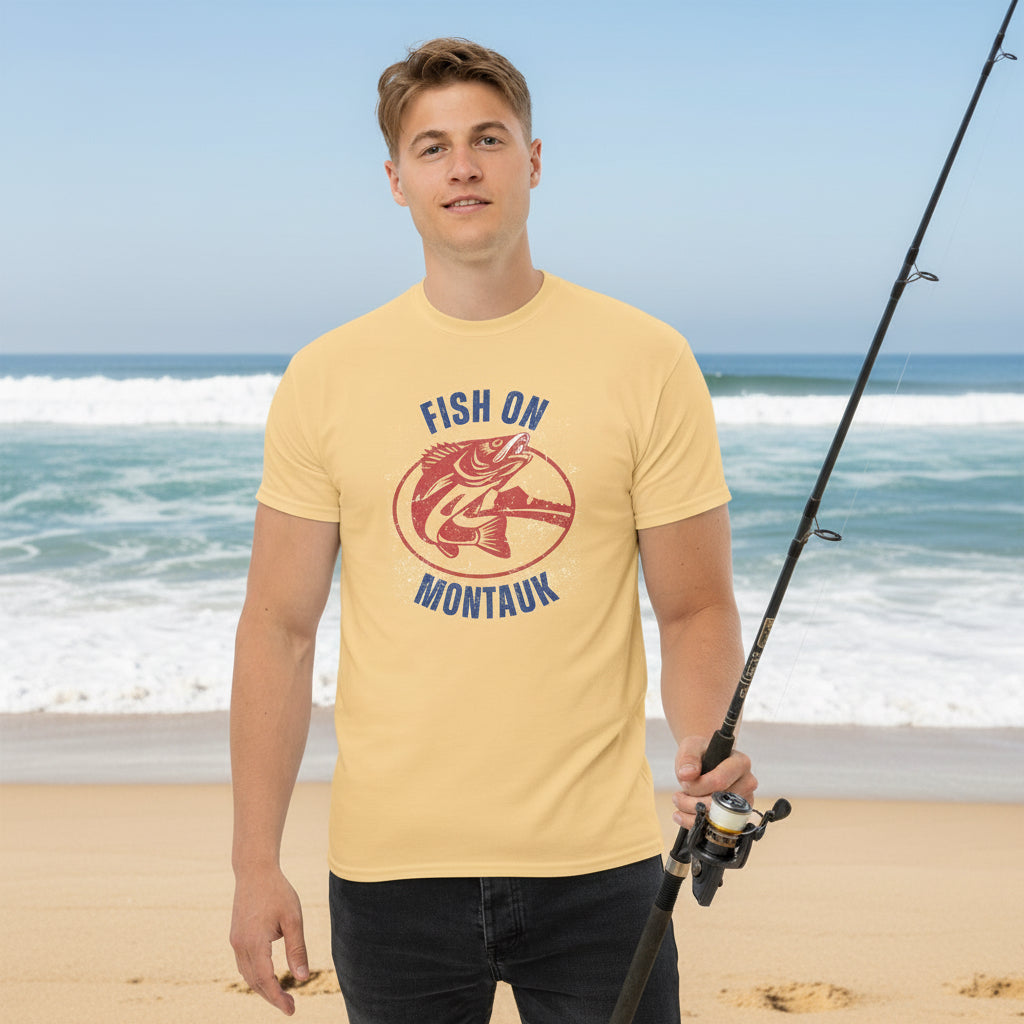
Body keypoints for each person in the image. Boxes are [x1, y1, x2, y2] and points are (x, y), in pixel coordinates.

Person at [229, 37, 756, 1023]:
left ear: (533, 159)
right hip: (390, 875)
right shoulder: (327, 375)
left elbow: (692, 604)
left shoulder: (645, 359)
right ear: (396, 180)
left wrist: (700, 748)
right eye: (431, 148)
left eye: (486, 138)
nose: (461, 165)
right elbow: (279, 628)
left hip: (598, 870)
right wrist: (254, 862)